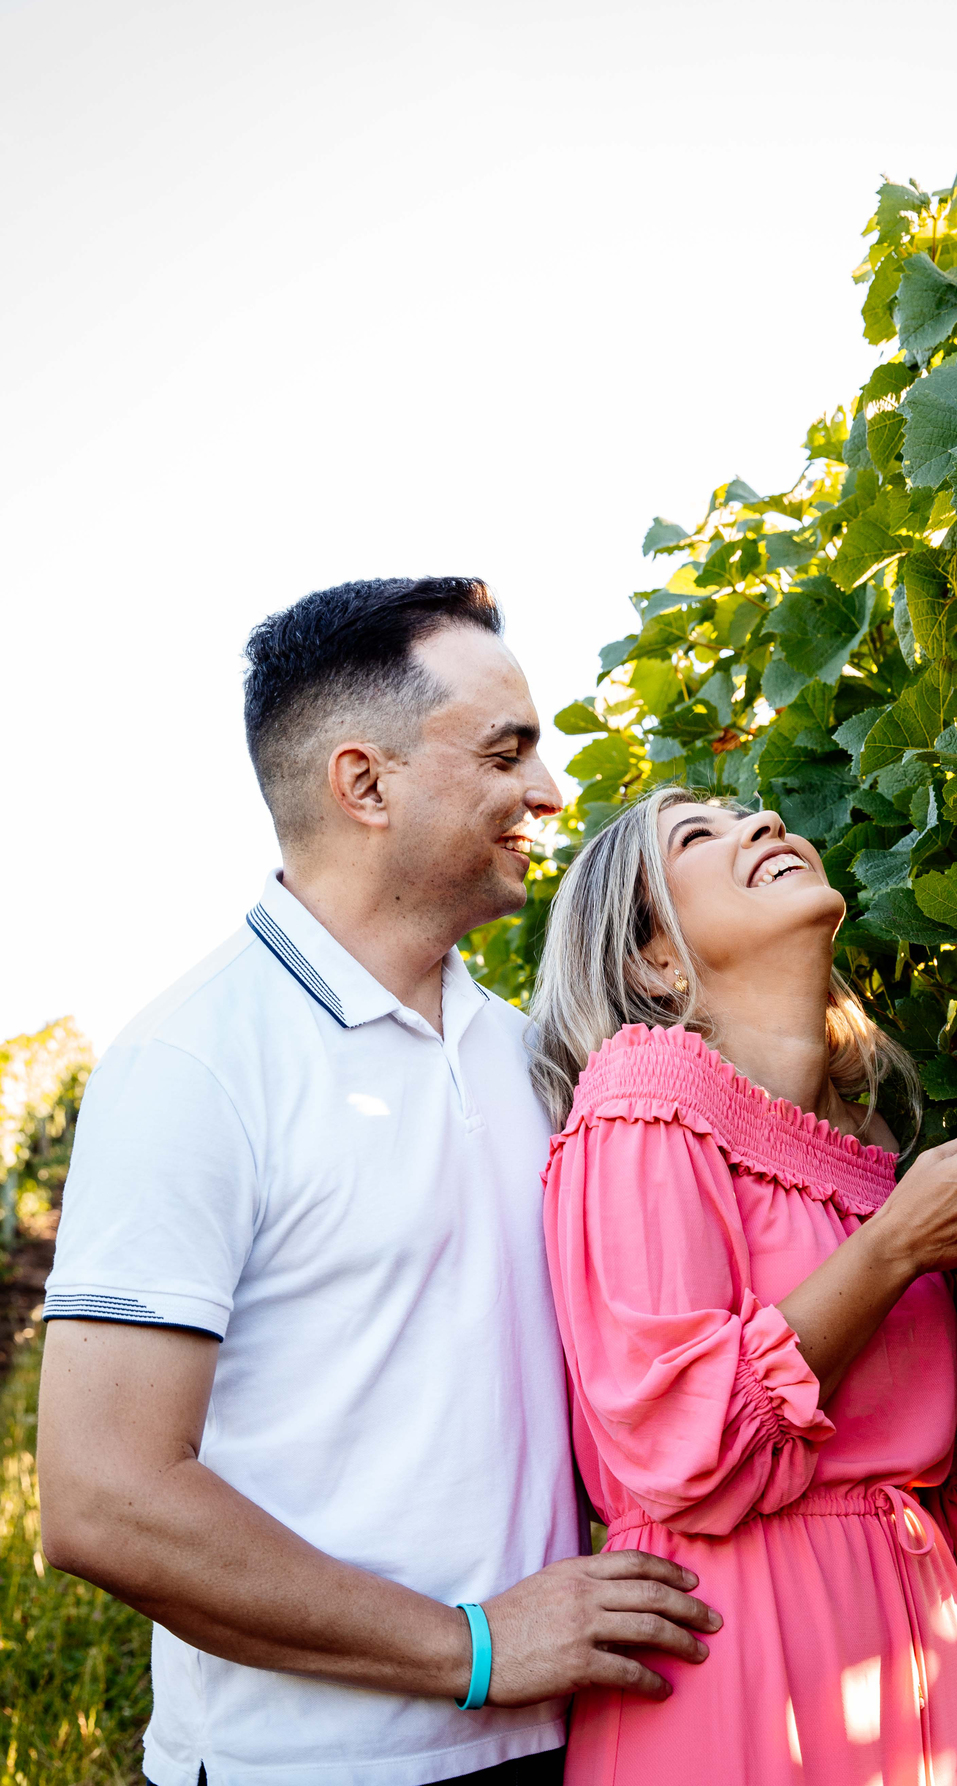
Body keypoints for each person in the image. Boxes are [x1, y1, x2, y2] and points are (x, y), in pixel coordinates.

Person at [36, 580, 720, 1786]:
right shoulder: (193, 1060)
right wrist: (471, 1649)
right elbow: (104, 1498)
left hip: (555, 1737)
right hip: (304, 1766)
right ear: (365, 783)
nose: (550, 794)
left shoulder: (527, 1056)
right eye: (507, 753)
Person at [529, 785, 957, 1786]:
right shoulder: (643, 1101)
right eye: (699, 836)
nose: (758, 825)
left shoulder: (863, 1156)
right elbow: (681, 1444)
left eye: (752, 812)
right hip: (734, 1661)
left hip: (902, 1659)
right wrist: (893, 1250)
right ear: (653, 958)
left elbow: (867, 1481)